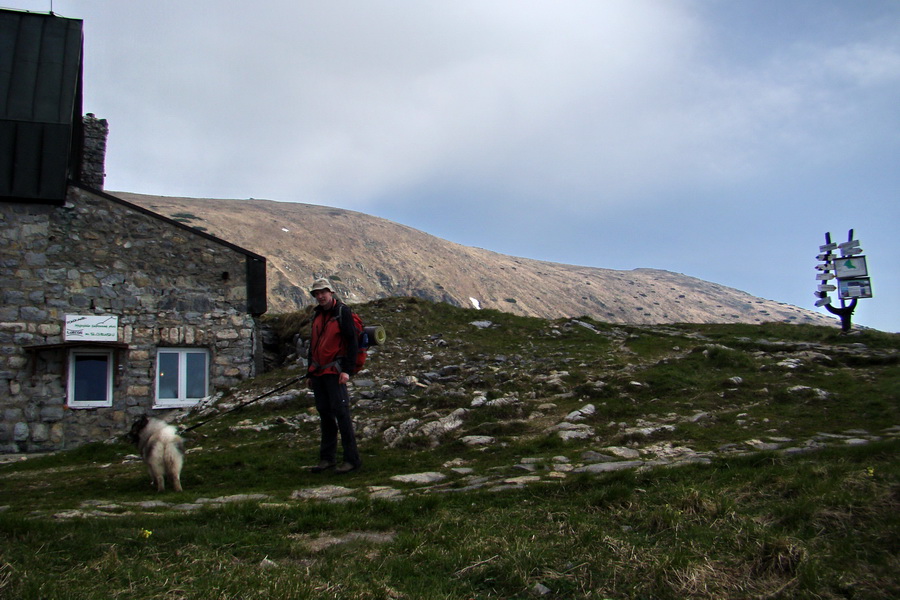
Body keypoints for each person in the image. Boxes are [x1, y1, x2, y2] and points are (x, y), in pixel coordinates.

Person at [306, 278, 362, 474]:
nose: (320, 296)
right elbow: (313, 345)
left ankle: (351, 460)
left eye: (323, 292)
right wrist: (309, 372)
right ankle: (327, 458)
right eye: (316, 293)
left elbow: (352, 342)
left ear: (331, 292)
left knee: (342, 414)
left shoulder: (342, 312)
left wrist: (347, 370)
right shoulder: (317, 315)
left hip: (335, 372)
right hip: (319, 373)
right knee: (324, 414)